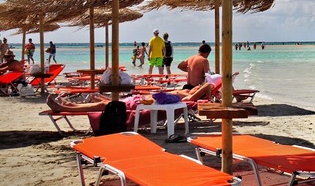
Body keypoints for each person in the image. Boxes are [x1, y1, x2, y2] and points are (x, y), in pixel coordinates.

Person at [45, 82, 215, 113]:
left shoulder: (188, 97)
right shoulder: (185, 91)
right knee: (112, 104)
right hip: (141, 100)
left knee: (107, 107)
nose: (199, 85)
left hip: (144, 105)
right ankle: (69, 105)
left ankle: (65, 108)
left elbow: (208, 86)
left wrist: (208, 89)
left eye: (200, 86)